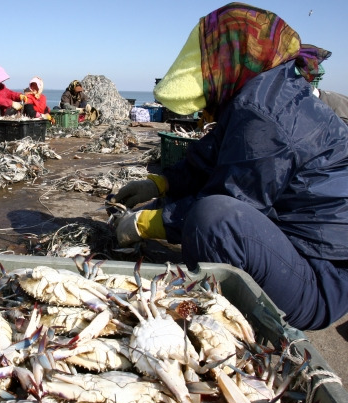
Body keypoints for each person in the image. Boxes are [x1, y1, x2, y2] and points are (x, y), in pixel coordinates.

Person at [111, 2, 348, 331]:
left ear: (233, 58)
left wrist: (150, 223)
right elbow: (207, 159)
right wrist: (158, 185)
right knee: (206, 214)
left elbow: (232, 199)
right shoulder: (260, 94)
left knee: (213, 220)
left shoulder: (265, 113)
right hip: (289, 249)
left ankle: (231, 330)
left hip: (318, 280)